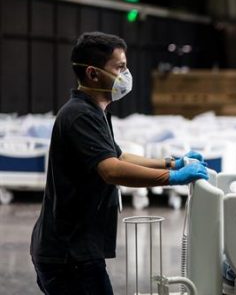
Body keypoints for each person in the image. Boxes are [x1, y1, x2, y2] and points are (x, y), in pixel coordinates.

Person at [30, 32, 209, 295]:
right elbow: (111, 170)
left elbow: (120, 156)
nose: (126, 74)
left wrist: (173, 163)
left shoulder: (94, 111)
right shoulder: (79, 115)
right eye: (120, 67)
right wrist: (173, 180)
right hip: (69, 256)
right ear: (93, 73)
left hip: (74, 251)